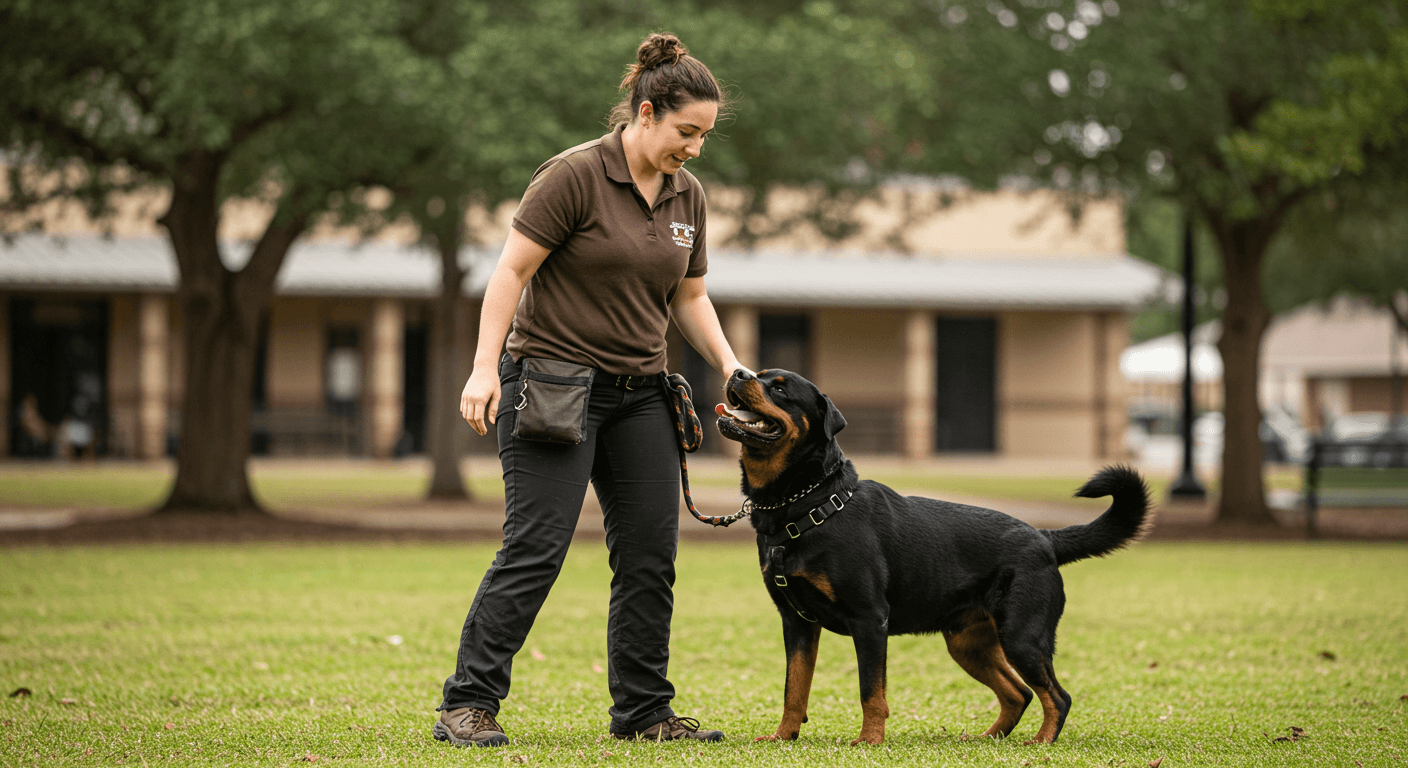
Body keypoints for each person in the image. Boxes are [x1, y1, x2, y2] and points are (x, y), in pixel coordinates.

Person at [434, 32, 747, 748]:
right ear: (644, 113)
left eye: (704, 136)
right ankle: (467, 704)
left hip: (642, 395)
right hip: (549, 385)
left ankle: (643, 712)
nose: (695, 148)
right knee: (536, 547)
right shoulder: (573, 176)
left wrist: (729, 365)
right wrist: (484, 368)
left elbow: (690, 296)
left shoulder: (686, 195)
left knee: (649, 554)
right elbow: (509, 273)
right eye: (685, 132)